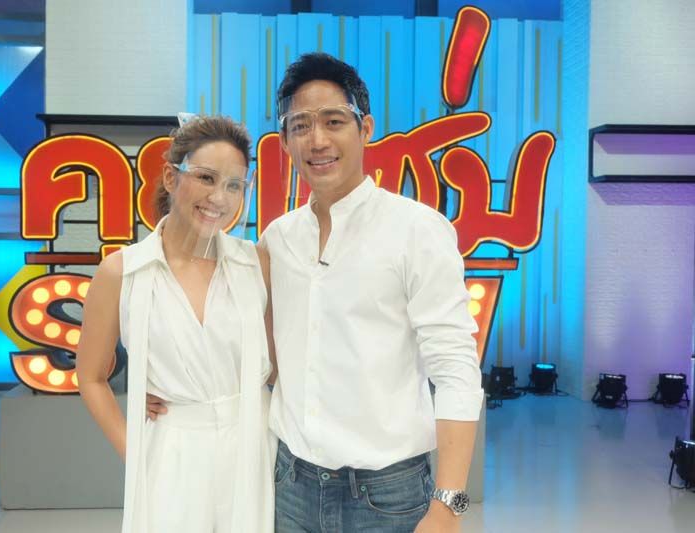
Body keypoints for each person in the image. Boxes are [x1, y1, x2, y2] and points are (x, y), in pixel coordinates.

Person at [149, 52, 483, 533]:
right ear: (285, 141)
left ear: (365, 128)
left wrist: (449, 506)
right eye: (300, 125)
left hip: (388, 495)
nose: (318, 140)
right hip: (290, 485)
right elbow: (249, 349)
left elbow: (455, 371)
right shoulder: (277, 240)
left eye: (333, 121)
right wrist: (167, 387)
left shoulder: (417, 231)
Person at [77, 115, 277, 533]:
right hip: (170, 453)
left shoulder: (255, 263)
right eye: (206, 178)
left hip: (254, 447)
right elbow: (91, 376)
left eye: (234, 185)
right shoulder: (122, 272)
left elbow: (278, 368)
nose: (219, 198)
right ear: (171, 177)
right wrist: (135, 451)